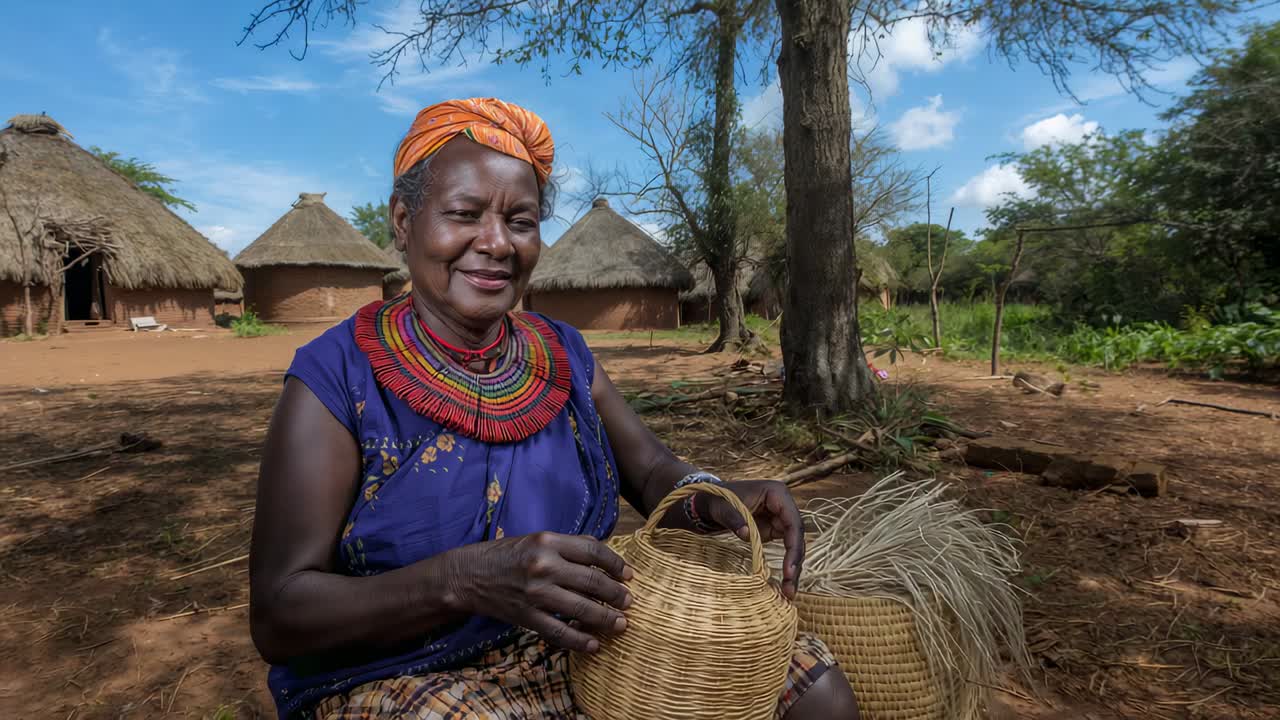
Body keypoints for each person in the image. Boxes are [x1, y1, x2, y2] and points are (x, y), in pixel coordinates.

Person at [248, 97, 859, 720]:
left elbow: (650, 471)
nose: (496, 243)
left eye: (521, 221)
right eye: (463, 214)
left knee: (815, 691)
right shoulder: (338, 375)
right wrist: (462, 579)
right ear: (404, 221)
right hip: (401, 668)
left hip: (571, 637)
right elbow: (278, 614)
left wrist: (710, 497)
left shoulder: (561, 354)